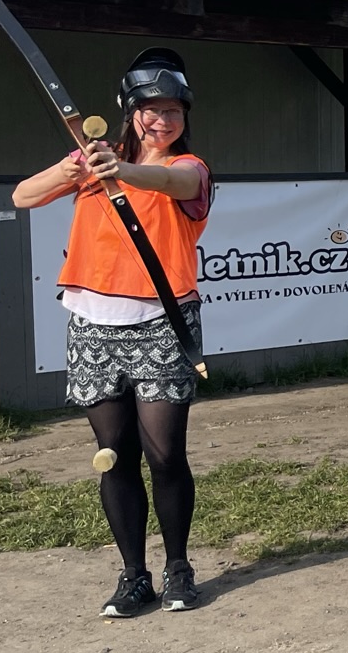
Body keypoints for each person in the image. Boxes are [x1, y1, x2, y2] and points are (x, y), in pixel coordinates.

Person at [15, 49, 212, 617]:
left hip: (160, 322)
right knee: (114, 454)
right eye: (151, 110)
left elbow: (171, 181)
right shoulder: (91, 162)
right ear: (131, 113)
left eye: (173, 111)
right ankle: (133, 576)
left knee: (165, 453)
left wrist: (120, 171)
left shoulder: (191, 168)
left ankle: (178, 568)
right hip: (91, 326)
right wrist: (74, 167)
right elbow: (21, 196)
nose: (162, 120)